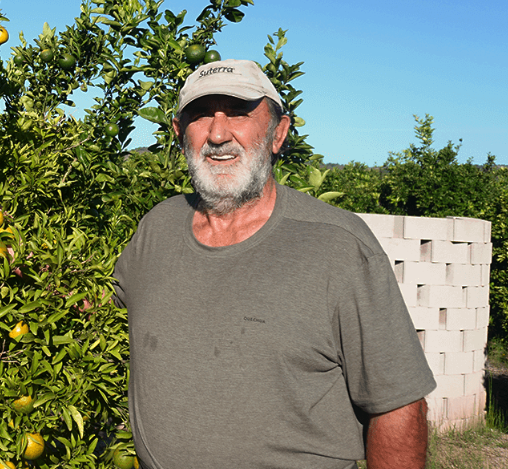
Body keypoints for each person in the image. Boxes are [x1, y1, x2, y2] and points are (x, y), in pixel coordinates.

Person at [112, 59, 435, 469]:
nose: (217, 133)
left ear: (278, 133)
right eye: (200, 114)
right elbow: (100, 313)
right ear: (179, 133)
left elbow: (397, 406)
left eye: (239, 112)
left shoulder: (338, 246)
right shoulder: (157, 228)